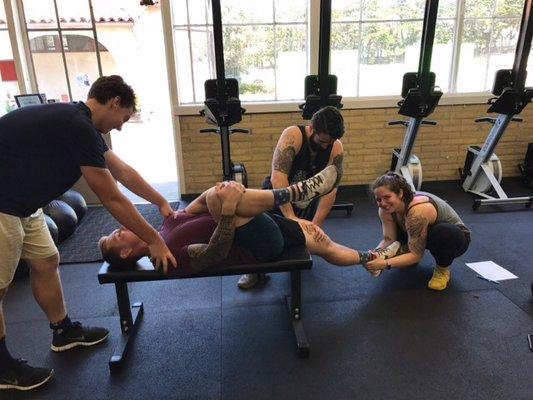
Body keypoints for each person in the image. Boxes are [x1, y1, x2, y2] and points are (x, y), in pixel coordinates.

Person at [0, 75, 177, 391]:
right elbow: (111, 197)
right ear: (114, 103)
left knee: (46, 261)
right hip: (3, 203)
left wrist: (161, 200)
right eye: (123, 117)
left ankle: (63, 331)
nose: (121, 126)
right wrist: (154, 238)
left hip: (25, 203)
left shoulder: (79, 124)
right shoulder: (76, 125)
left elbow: (122, 171)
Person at [99, 167, 400, 275]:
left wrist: (226, 191)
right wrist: (228, 208)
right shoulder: (166, 260)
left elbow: (194, 207)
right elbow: (215, 253)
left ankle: (371, 259)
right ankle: (298, 192)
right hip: (258, 246)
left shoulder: (160, 232)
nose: (121, 228)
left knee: (320, 241)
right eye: (116, 235)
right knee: (221, 199)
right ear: (126, 253)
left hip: (254, 225)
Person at [238, 105, 345, 289]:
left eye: (330, 142)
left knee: (298, 240)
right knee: (261, 233)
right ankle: (254, 271)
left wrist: (316, 226)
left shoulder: (335, 147)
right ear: (311, 128)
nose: (326, 146)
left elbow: (330, 190)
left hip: (306, 197)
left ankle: (294, 270)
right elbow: (278, 178)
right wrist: (290, 217)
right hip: (277, 194)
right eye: (322, 141)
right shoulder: (293, 135)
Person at [365, 172, 471, 291]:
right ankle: (403, 250)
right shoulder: (385, 209)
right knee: (402, 229)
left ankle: (442, 269)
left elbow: (416, 255)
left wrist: (385, 263)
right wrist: (376, 254)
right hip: (417, 232)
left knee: (443, 233)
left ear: (400, 193)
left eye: (387, 197)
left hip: (454, 239)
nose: (383, 203)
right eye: (378, 199)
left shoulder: (418, 211)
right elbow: (388, 239)